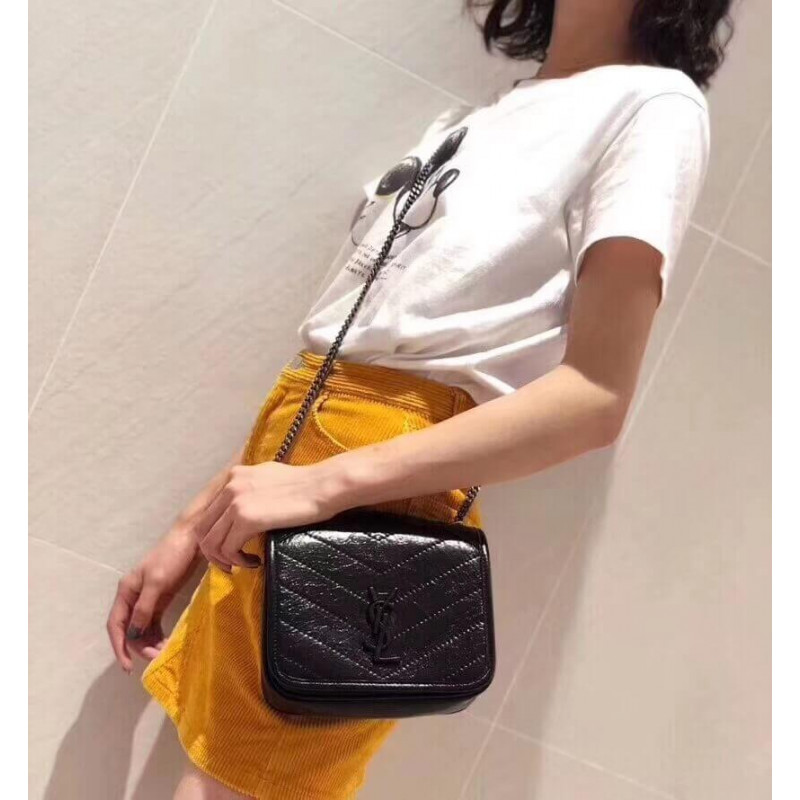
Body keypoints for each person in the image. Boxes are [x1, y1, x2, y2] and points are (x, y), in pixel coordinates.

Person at [106, 0, 733, 797]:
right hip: (296, 470)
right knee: (215, 771)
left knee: (236, 784)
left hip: (366, 496)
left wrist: (322, 484)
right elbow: (347, 358)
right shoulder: (481, 118)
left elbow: (596, 397)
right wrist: (195, 525)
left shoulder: (655, 107)